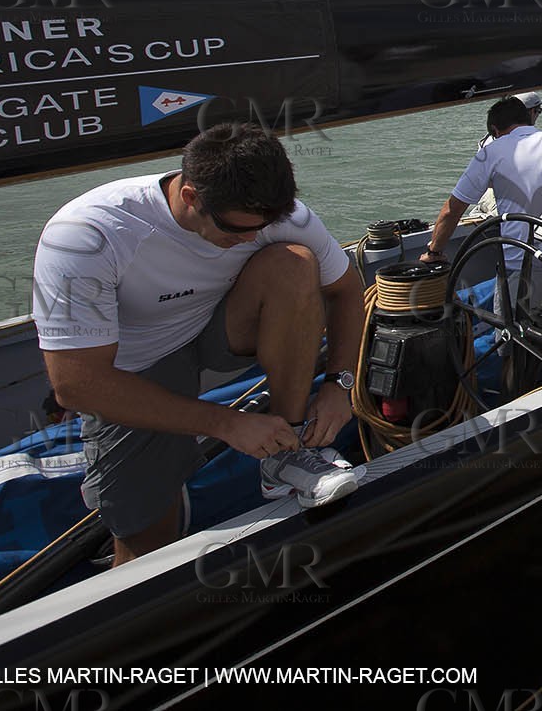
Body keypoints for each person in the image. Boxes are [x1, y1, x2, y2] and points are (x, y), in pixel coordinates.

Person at [33, 124, 364, 566]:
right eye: (235, 230)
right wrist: (227, 424)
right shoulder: (88, 233)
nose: (251, 239)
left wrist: (339, 385)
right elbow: (75, 385)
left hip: (219, 329)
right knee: (145, 535)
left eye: (262, 226)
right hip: (136, 366)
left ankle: (286, 455)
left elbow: (346, 289)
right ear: (190, 197)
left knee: (295, 263)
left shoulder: (283, 218)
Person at [420, 96, 542, 268]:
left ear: (495, 130)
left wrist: (434, 252)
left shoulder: (490, 153)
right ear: (528, 118)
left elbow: (453, 209)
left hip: (519, 260)